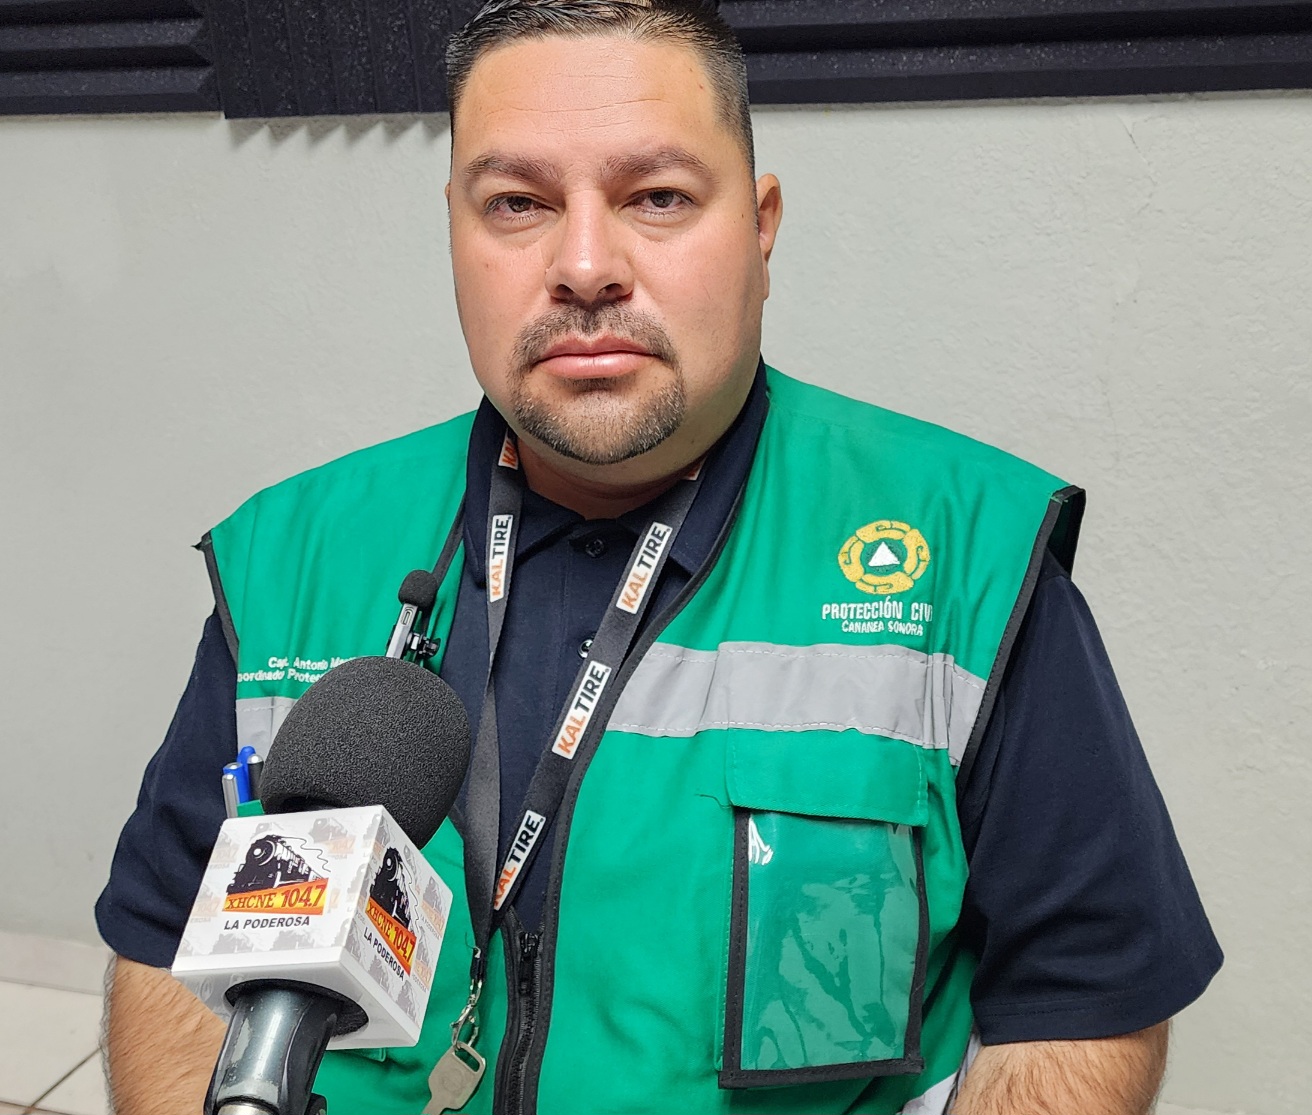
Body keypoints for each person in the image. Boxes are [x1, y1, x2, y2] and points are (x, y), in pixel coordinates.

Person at [94, 2, 1222, 1112]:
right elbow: (167, 944)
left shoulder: (967, 555)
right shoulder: (289, 552)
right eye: (518, 203)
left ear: (761, 228)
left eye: (658, 197)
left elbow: (1080, 999)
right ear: (453, 229)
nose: (585, 265)